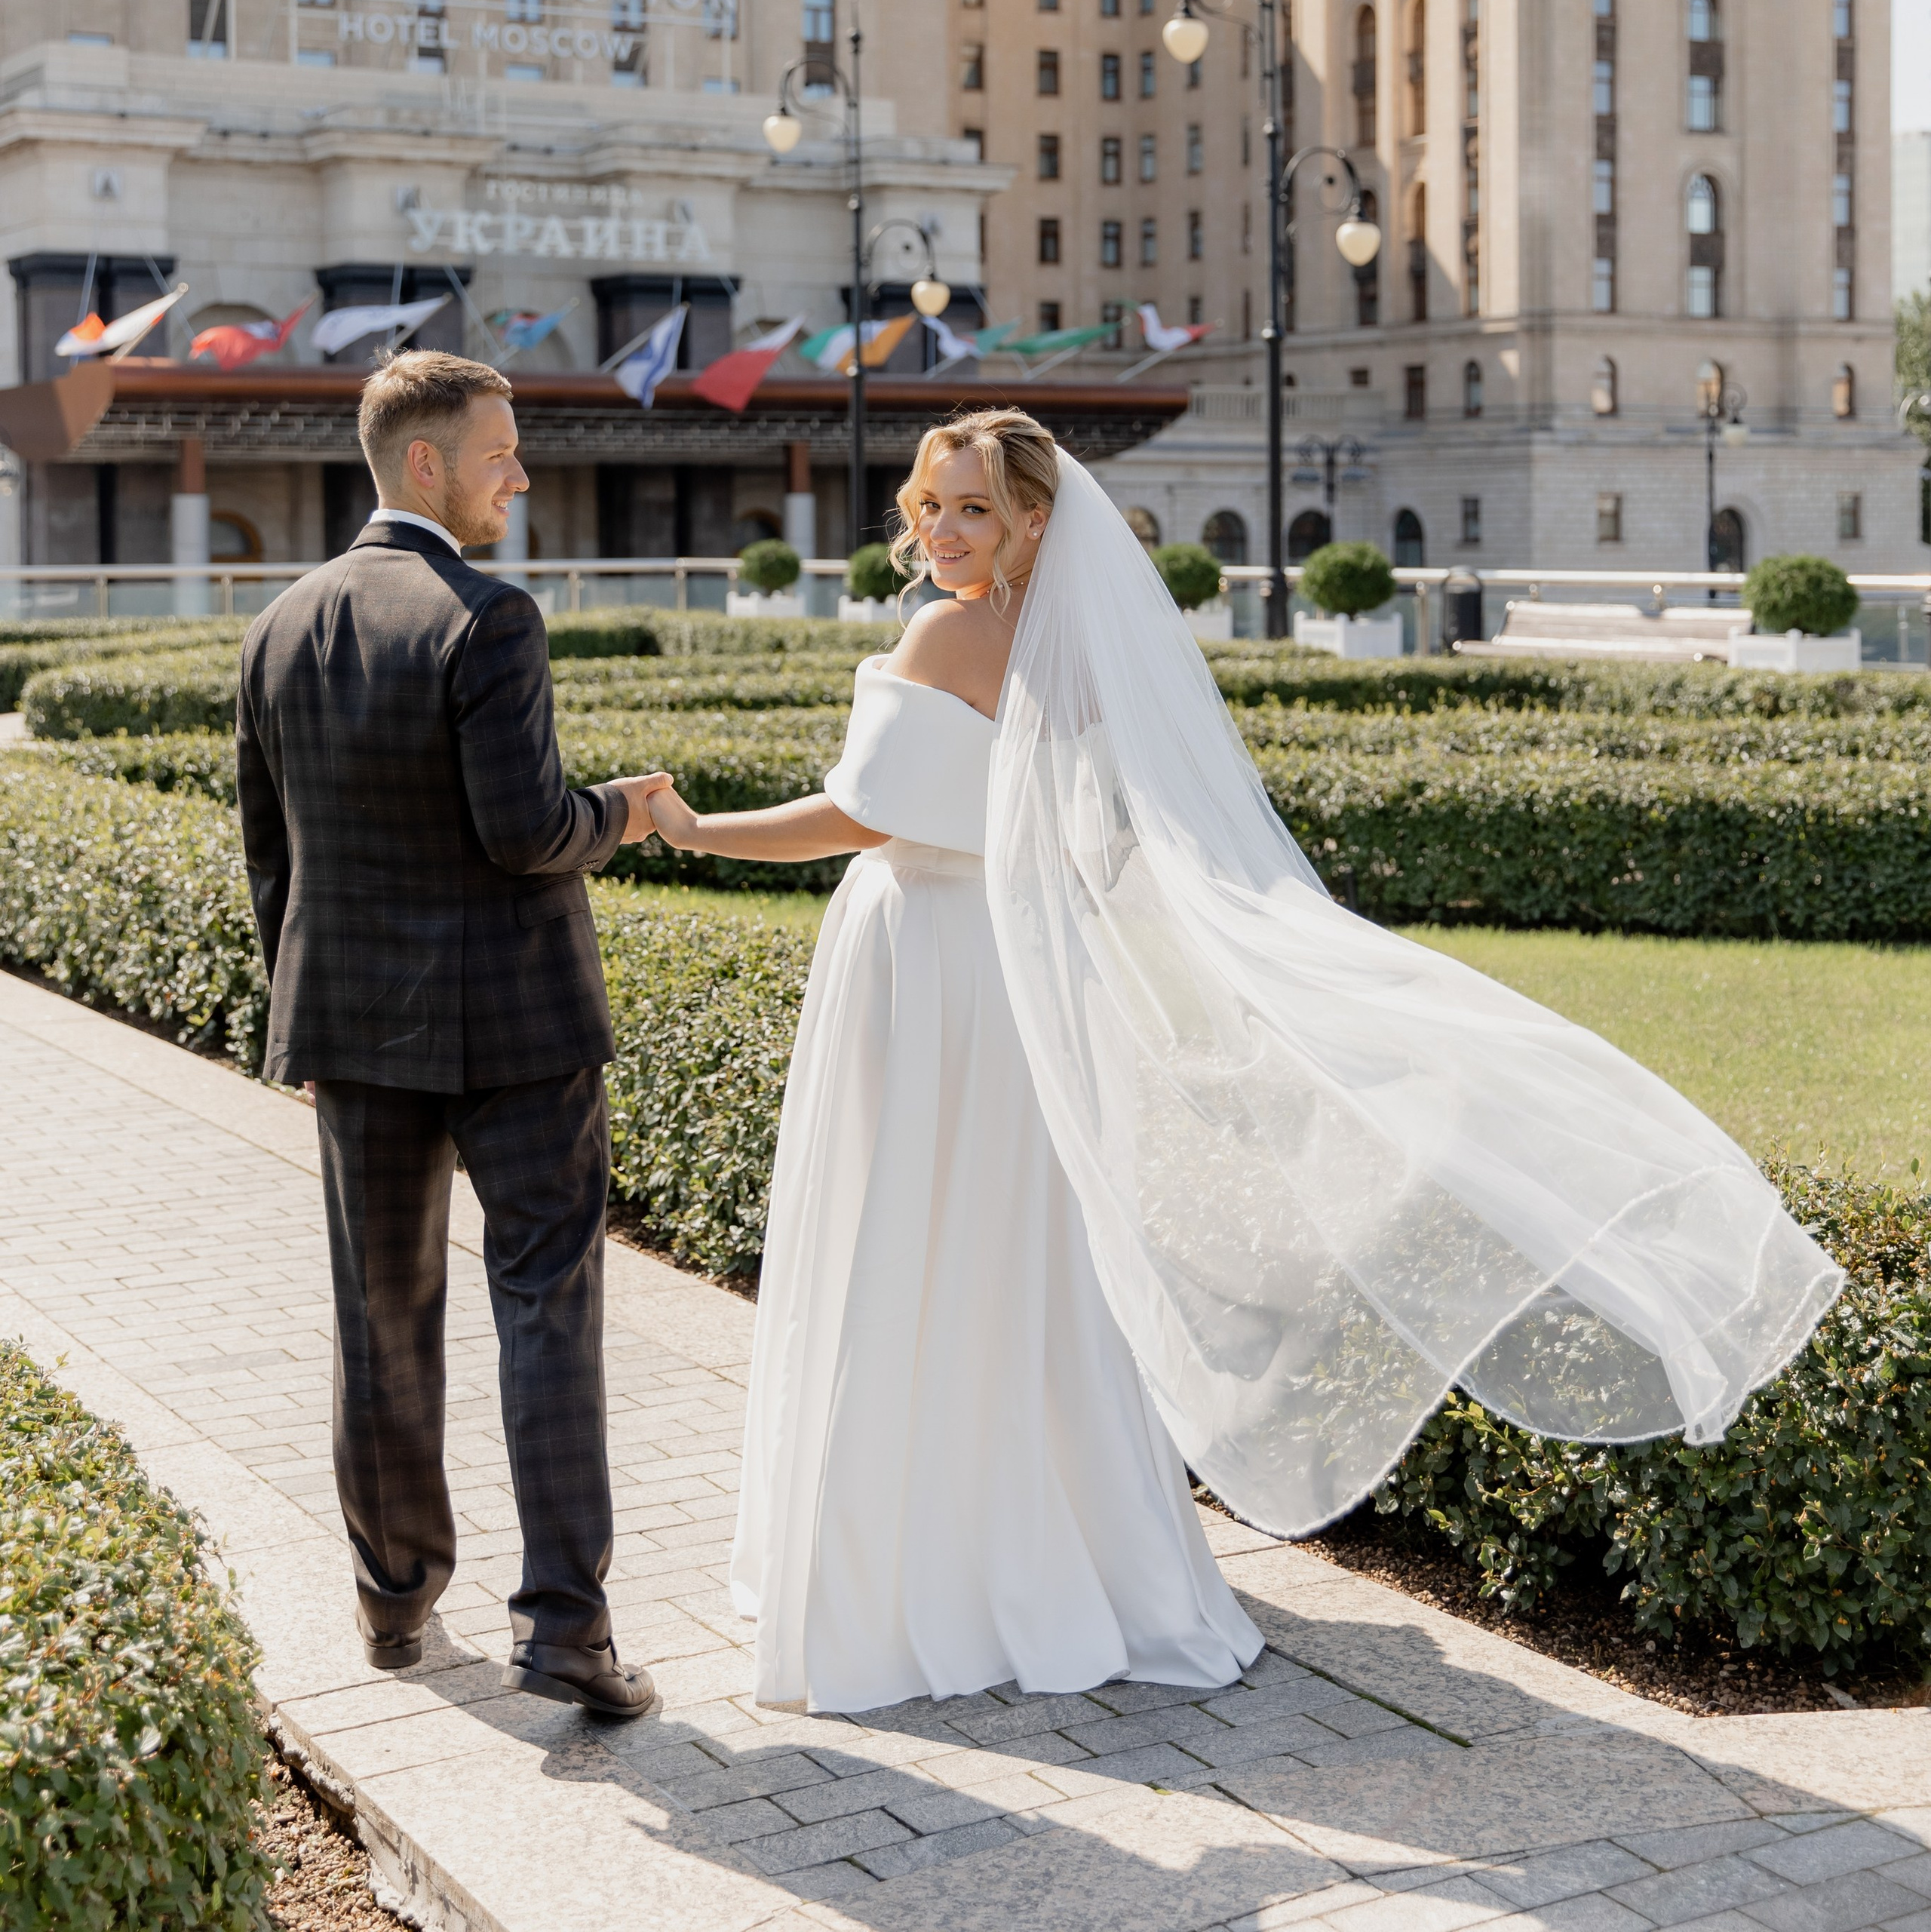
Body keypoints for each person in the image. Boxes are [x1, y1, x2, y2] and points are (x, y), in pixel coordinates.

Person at [645, 405, 1844, 1719]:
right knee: (1015, 1258)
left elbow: (857, 817)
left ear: (1034, 520)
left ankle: (908, 1566)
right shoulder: (1082, 652)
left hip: (922, 957)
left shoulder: (944, 633)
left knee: (913, 1239)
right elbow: (1096, 844)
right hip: (1012, 970)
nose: (938, 530)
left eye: (972, 508)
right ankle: (1052, 1552)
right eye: (928, 505)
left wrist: (695, 827)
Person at [236, 349, 670, 1720]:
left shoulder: (279, 624)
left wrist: (309, 1012)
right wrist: (628, 808)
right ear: (425, 465)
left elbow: (271, 864)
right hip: (522, 1033)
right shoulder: (492, 617)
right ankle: (567, 1630)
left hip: (353, 1027)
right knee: (546, 1307)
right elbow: (528, 832)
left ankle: (392, 1597)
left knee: (380, 1318)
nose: (520, 477)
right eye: (501, 455)